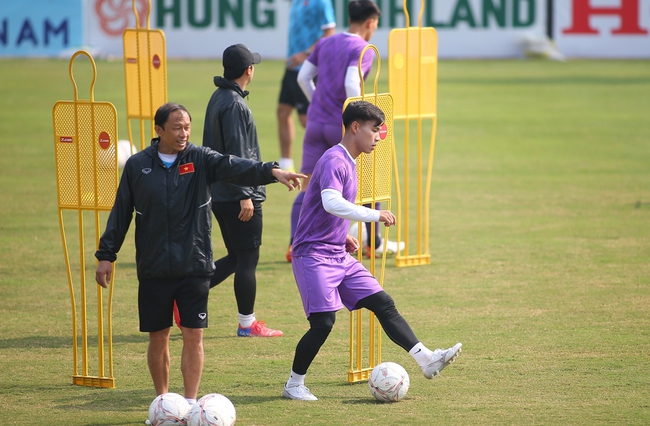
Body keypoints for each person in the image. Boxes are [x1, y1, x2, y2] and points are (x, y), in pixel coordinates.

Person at [94, 103, 305, 407]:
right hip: (153, 267)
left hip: (194, 264)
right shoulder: (138, 165)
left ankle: (191, 403)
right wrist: (106, 255)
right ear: (159, 131)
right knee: (159, 337)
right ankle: (164, 402)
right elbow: (121, 212)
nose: (184, 133)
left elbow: (236, 165)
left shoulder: (201, 158)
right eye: (177, 127)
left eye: (187, 127)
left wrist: (272, 171)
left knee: (194, 336)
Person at [281, 101, 461, 401]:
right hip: (313, 255)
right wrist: (374, 216)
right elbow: (330, 203)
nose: (379, 136)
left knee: (383, 302)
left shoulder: (349, 161)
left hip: (337, 252)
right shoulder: (334, 160)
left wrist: (343, 237)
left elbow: (327, 211)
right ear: (355, 127)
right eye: (374, 130)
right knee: (323, 323)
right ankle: (294, 385)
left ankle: (426, 359)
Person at [287, 0, 402, 262]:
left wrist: (317, 101)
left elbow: (303, 76)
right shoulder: (363, 48)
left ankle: (294, 244)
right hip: (344, 125)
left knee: (308, 183)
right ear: (371, 22)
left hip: (316, 123)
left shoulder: (325, 42)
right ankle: (373, 242)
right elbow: (352, 82)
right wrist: (357, 115)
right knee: (367, 183)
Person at [199, 43, 283, 338]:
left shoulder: (219, 97)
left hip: (220, 192)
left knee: (236, 257)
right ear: (249, 70)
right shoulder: (234, 104)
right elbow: (236, 151)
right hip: (237, 194)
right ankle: (247, 324)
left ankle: (184, 296)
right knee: (247, 259)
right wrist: (245, 193)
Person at [277, 0, 336, 172]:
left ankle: (331, 162)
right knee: (283, 111)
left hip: (310, 68)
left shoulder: (322, 2)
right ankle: (286, 165)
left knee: (307, 120)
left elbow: (329, 33)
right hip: (292, 67)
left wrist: (305, 53)